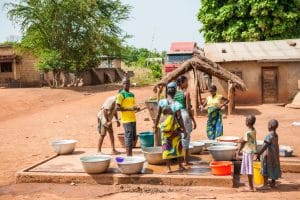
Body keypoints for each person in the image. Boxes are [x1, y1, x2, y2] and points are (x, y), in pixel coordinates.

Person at [154, 82, 187, 173]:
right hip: (175, 129)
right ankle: (180, 166)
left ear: (167, 91)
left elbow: (157, 115)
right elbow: (179, 118)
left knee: (166, 147)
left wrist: (155, 126)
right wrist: (184, 129)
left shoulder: (161, 102)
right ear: (175, 91)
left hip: (165, 129)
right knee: (177, 146)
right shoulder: (177, 104)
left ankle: (168, 168)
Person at [174, 75, 197, 166]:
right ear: (182, 83)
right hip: (184, 115)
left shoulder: (175, 93)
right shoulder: (186, 93)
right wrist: (194, 121)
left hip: (177, 115)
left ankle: (180, 160)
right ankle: (186, 161)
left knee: (179, 138)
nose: (187, 84)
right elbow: (188, 108)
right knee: (186, 137)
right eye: (186, 82)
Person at [116, 78, 138, 156]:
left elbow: (133, 106)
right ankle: (129, 156)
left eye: (128, 83)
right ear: (122, 84)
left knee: (133, 138)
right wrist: (130, 108)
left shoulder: (132, 94)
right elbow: (117, 108)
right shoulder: (121, 94)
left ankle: (130, 155)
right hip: (126, 120)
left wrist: (136, 108)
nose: (126, 84)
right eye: (125, 83)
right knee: (128, 138)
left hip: (133, 119)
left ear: (130, 84)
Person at [256, 119, 281, 190]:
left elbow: (265, 146)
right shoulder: (276, 135)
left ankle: (265, 184)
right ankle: (273, 183)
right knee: (273, 168)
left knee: (265, 168)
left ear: (269, 126)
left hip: (268, 156)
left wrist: (259, 153)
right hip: (274, 156)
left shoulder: (269, 136)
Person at [236, 114, 257, 192]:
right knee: (249, 170)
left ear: (247, 122)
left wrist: (237, 152)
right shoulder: (253, 130)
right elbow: (245, 138)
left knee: (249, 170)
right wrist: (241, 139)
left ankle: (251, 187)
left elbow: (242, 142)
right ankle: (251, 186)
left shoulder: (248, 133)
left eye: (246, 120)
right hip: (251, 152)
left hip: (247, 152)